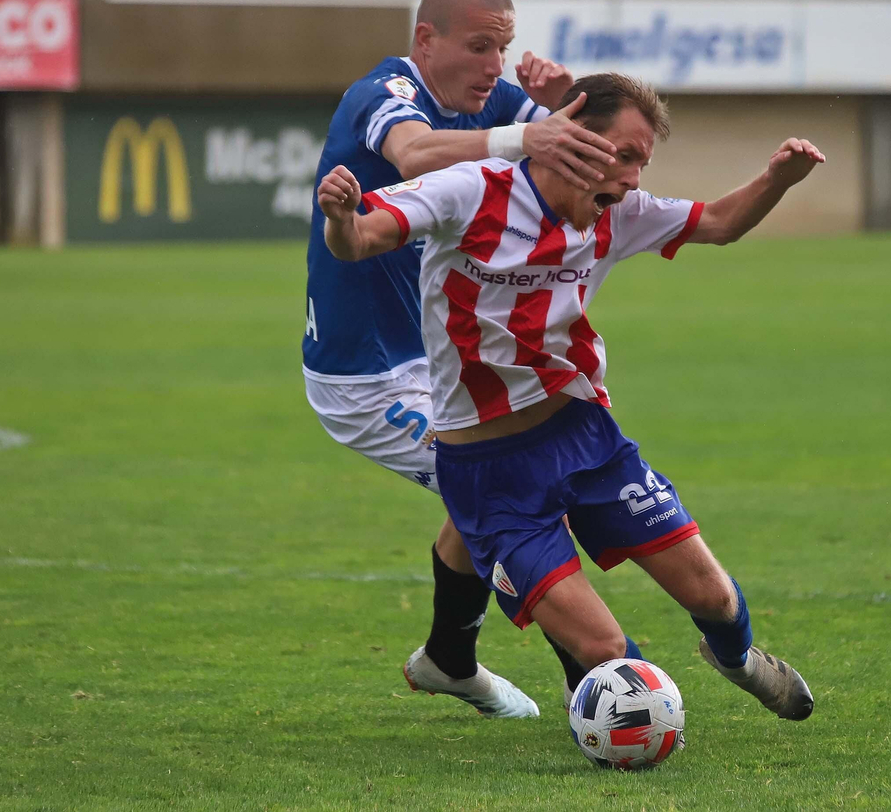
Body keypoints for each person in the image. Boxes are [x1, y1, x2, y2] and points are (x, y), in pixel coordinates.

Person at [315, 72, 823, 722]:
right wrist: (338, 218)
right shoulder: (472, 191)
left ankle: (740, 661)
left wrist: (778, 178)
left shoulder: (618, 214)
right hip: (488, 475)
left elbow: (720, 223)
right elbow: (362, 237)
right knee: (607, 650)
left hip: (587, 442)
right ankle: (621, 714)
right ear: (575, 137)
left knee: (713, 596)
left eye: (644, 161)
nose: (637, 178)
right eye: (628, 155)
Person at [303, 0, 627, 719]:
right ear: (427, 39)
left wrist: (564, 102)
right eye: (480, 47)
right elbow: (415, 155)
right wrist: (528, 128)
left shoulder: (504, 106)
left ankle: (450, 656)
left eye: (504, 48)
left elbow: (580, 157)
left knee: (497, 489)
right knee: (517, 491)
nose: (495, 65)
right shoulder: (384, 95)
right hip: (370, 381)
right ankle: (598, 680)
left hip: (449, 368)